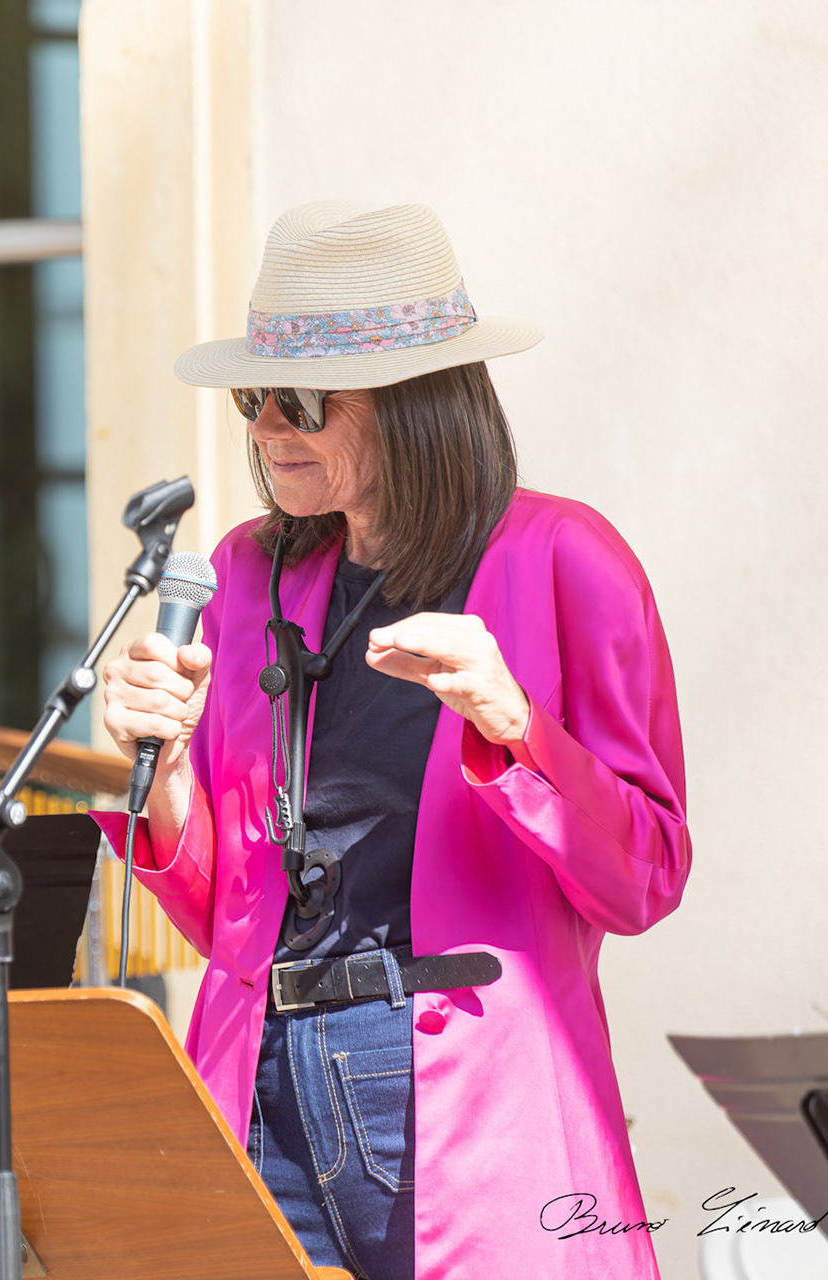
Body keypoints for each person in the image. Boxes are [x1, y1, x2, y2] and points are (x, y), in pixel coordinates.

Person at [100, 202, 689, 1278]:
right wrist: (167, 770)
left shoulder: (566, 557)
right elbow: (226, 914)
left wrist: (517, 729)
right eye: (254, 396)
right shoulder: (245, 572)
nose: (272, 427)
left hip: (459, 1080)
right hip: (262, 1073)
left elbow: (644, 876)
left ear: (416, 403)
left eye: (307, 400)